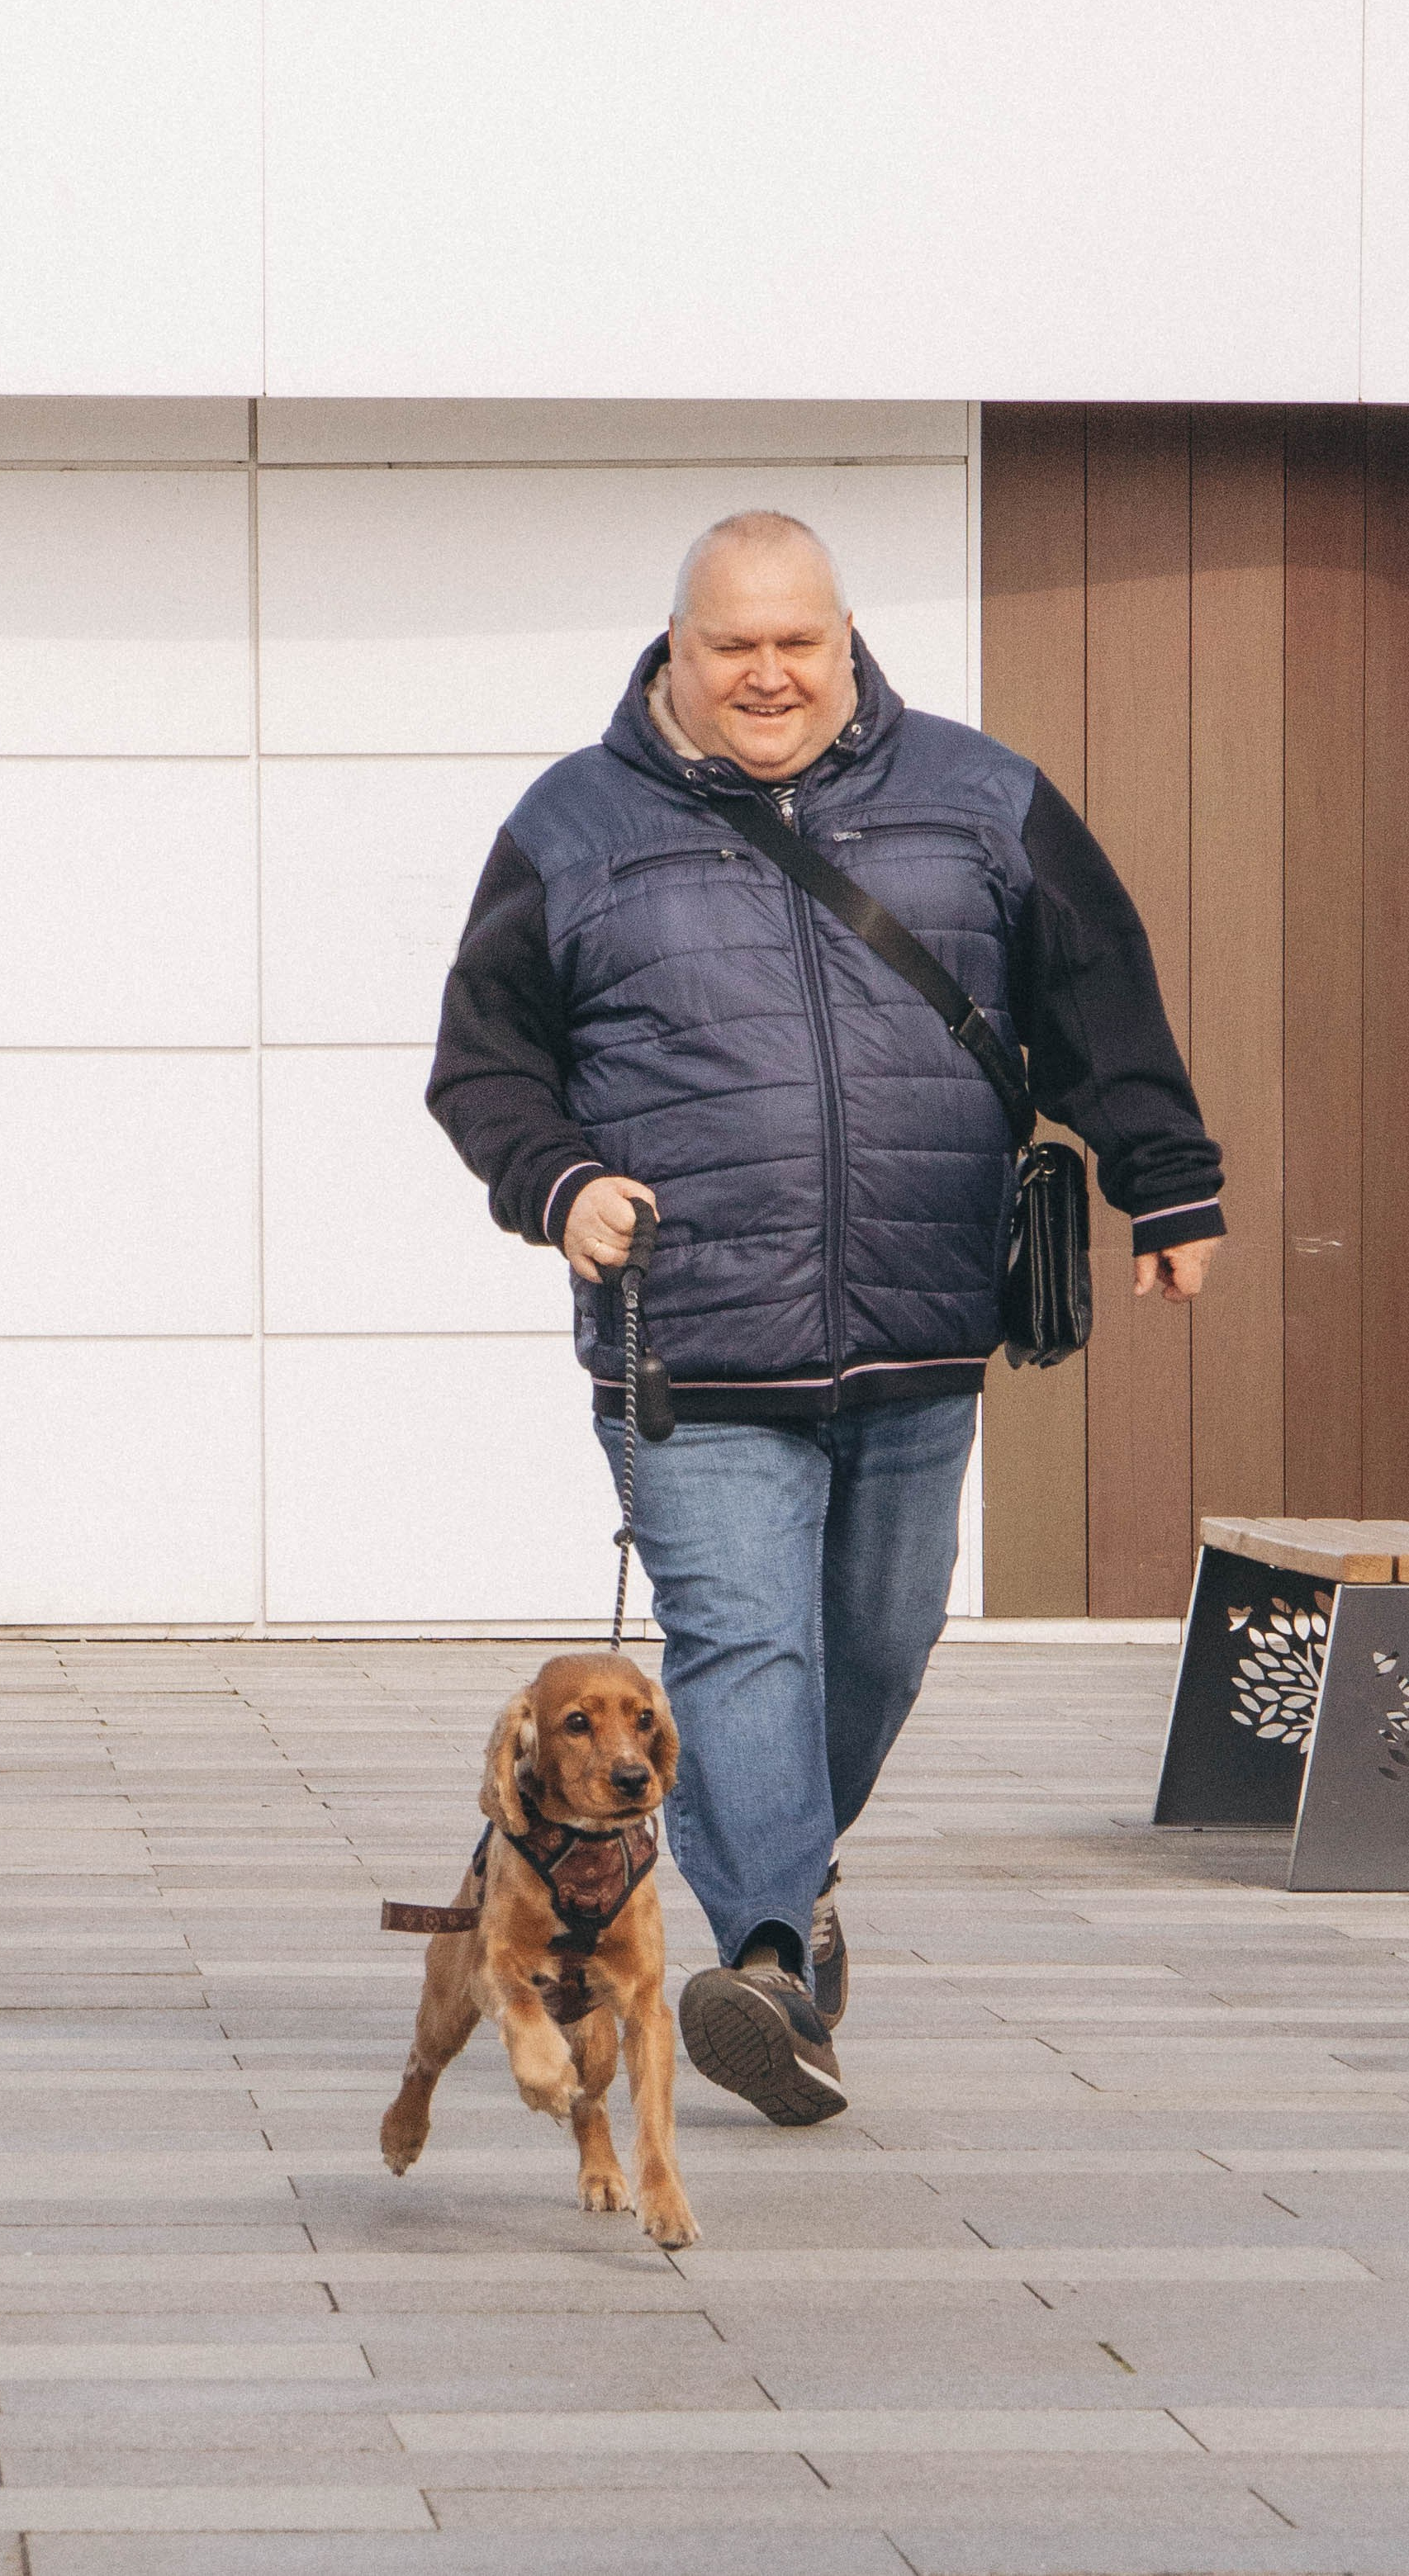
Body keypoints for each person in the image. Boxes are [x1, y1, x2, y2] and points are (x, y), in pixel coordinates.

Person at [426, 511, 1224, 2126]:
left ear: (845, 639)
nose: (771, 673)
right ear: (678, 648)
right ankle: (771, 1958)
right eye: (736, 645)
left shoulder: (975, 795)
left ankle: (794, 1863)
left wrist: (1170, 1179)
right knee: (738, 1649)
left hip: (918, 1325)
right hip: (691, 1341)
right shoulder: (570, 824)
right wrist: (558, 1178)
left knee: (867, 1647)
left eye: (801, 641)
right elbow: (481, 1063)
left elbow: (1093, 993)